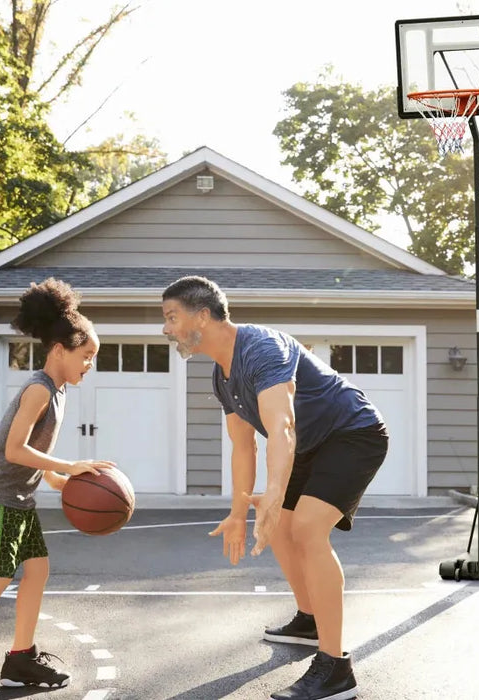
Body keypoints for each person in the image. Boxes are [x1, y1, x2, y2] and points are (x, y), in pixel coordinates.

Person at [162, 275, 388, 700]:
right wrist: (237, 513)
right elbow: (243, 447)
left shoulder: (263, 348)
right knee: (280, 529)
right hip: (309, 443)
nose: (166, 328)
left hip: (353, 432)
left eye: (172, 317)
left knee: (305, 528)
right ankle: (310, 618)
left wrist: (275, 493)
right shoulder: (221, 376)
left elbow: (281, 428)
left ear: (203, 315)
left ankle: (336, 667)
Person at [0, 278, 115, 697]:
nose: (89, 365)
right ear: (60, 349)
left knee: (37, 571)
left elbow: (37, 460)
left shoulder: (57, 393)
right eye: (86, 355)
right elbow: (13, 450)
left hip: (19, 499)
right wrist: (67, 463)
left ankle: (20, 659)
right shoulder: (39, 388)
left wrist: (66, 477)